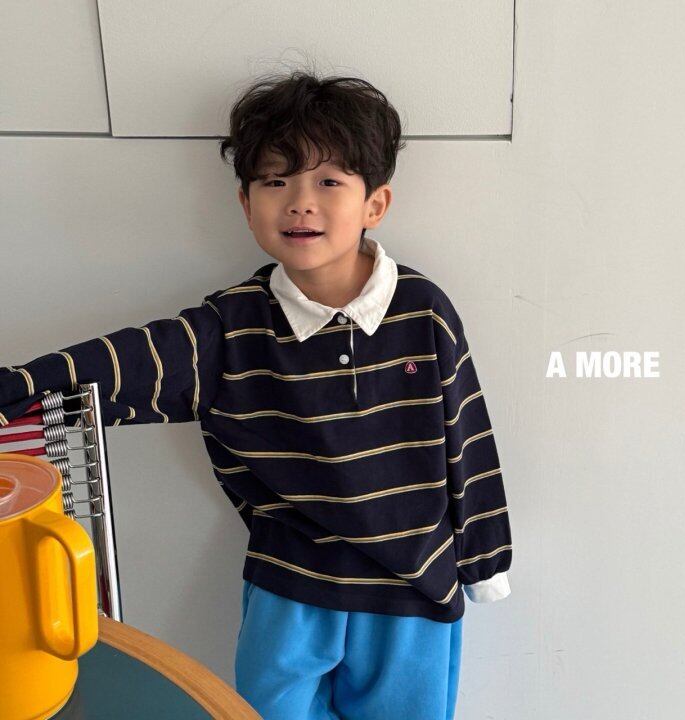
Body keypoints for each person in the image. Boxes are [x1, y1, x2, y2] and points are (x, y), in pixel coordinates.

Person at [0, 69, 513, 720]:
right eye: (276, 181)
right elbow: (118, 365)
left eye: (328, 182)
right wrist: (14, 387)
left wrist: (485, 558)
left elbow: (468, 437)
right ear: (246, 204)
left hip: (414, 591)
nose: (300, 202)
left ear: (375, 204)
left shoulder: (423, 311)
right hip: (289, 587)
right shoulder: (230, 327)